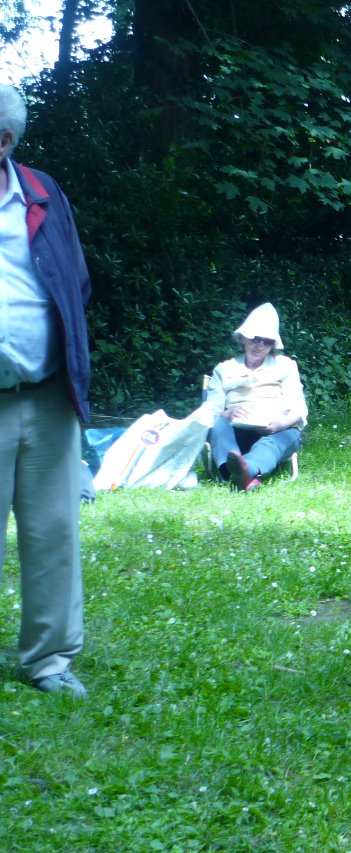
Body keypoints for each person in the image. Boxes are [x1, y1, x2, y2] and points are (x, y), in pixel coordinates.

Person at [0, 84, 93, 697]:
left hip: (48, 394)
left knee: (53, 532)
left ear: (3, 140)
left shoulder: (41, 192)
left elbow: (75, 279)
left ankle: (49, 660)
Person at [205, 302, 307, 492]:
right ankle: (240, 473)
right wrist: (227, 413)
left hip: (275, 430)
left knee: (287, 435)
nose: (260, 345)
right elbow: (210, 410)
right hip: (236, 432)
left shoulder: (285, 366)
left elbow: (298, 409)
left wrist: (280, 424)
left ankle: (244, 470)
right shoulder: (224, 369)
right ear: (243, 338)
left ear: (273, 345)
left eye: (267, 341)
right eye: (255, 338)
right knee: (218, 424)